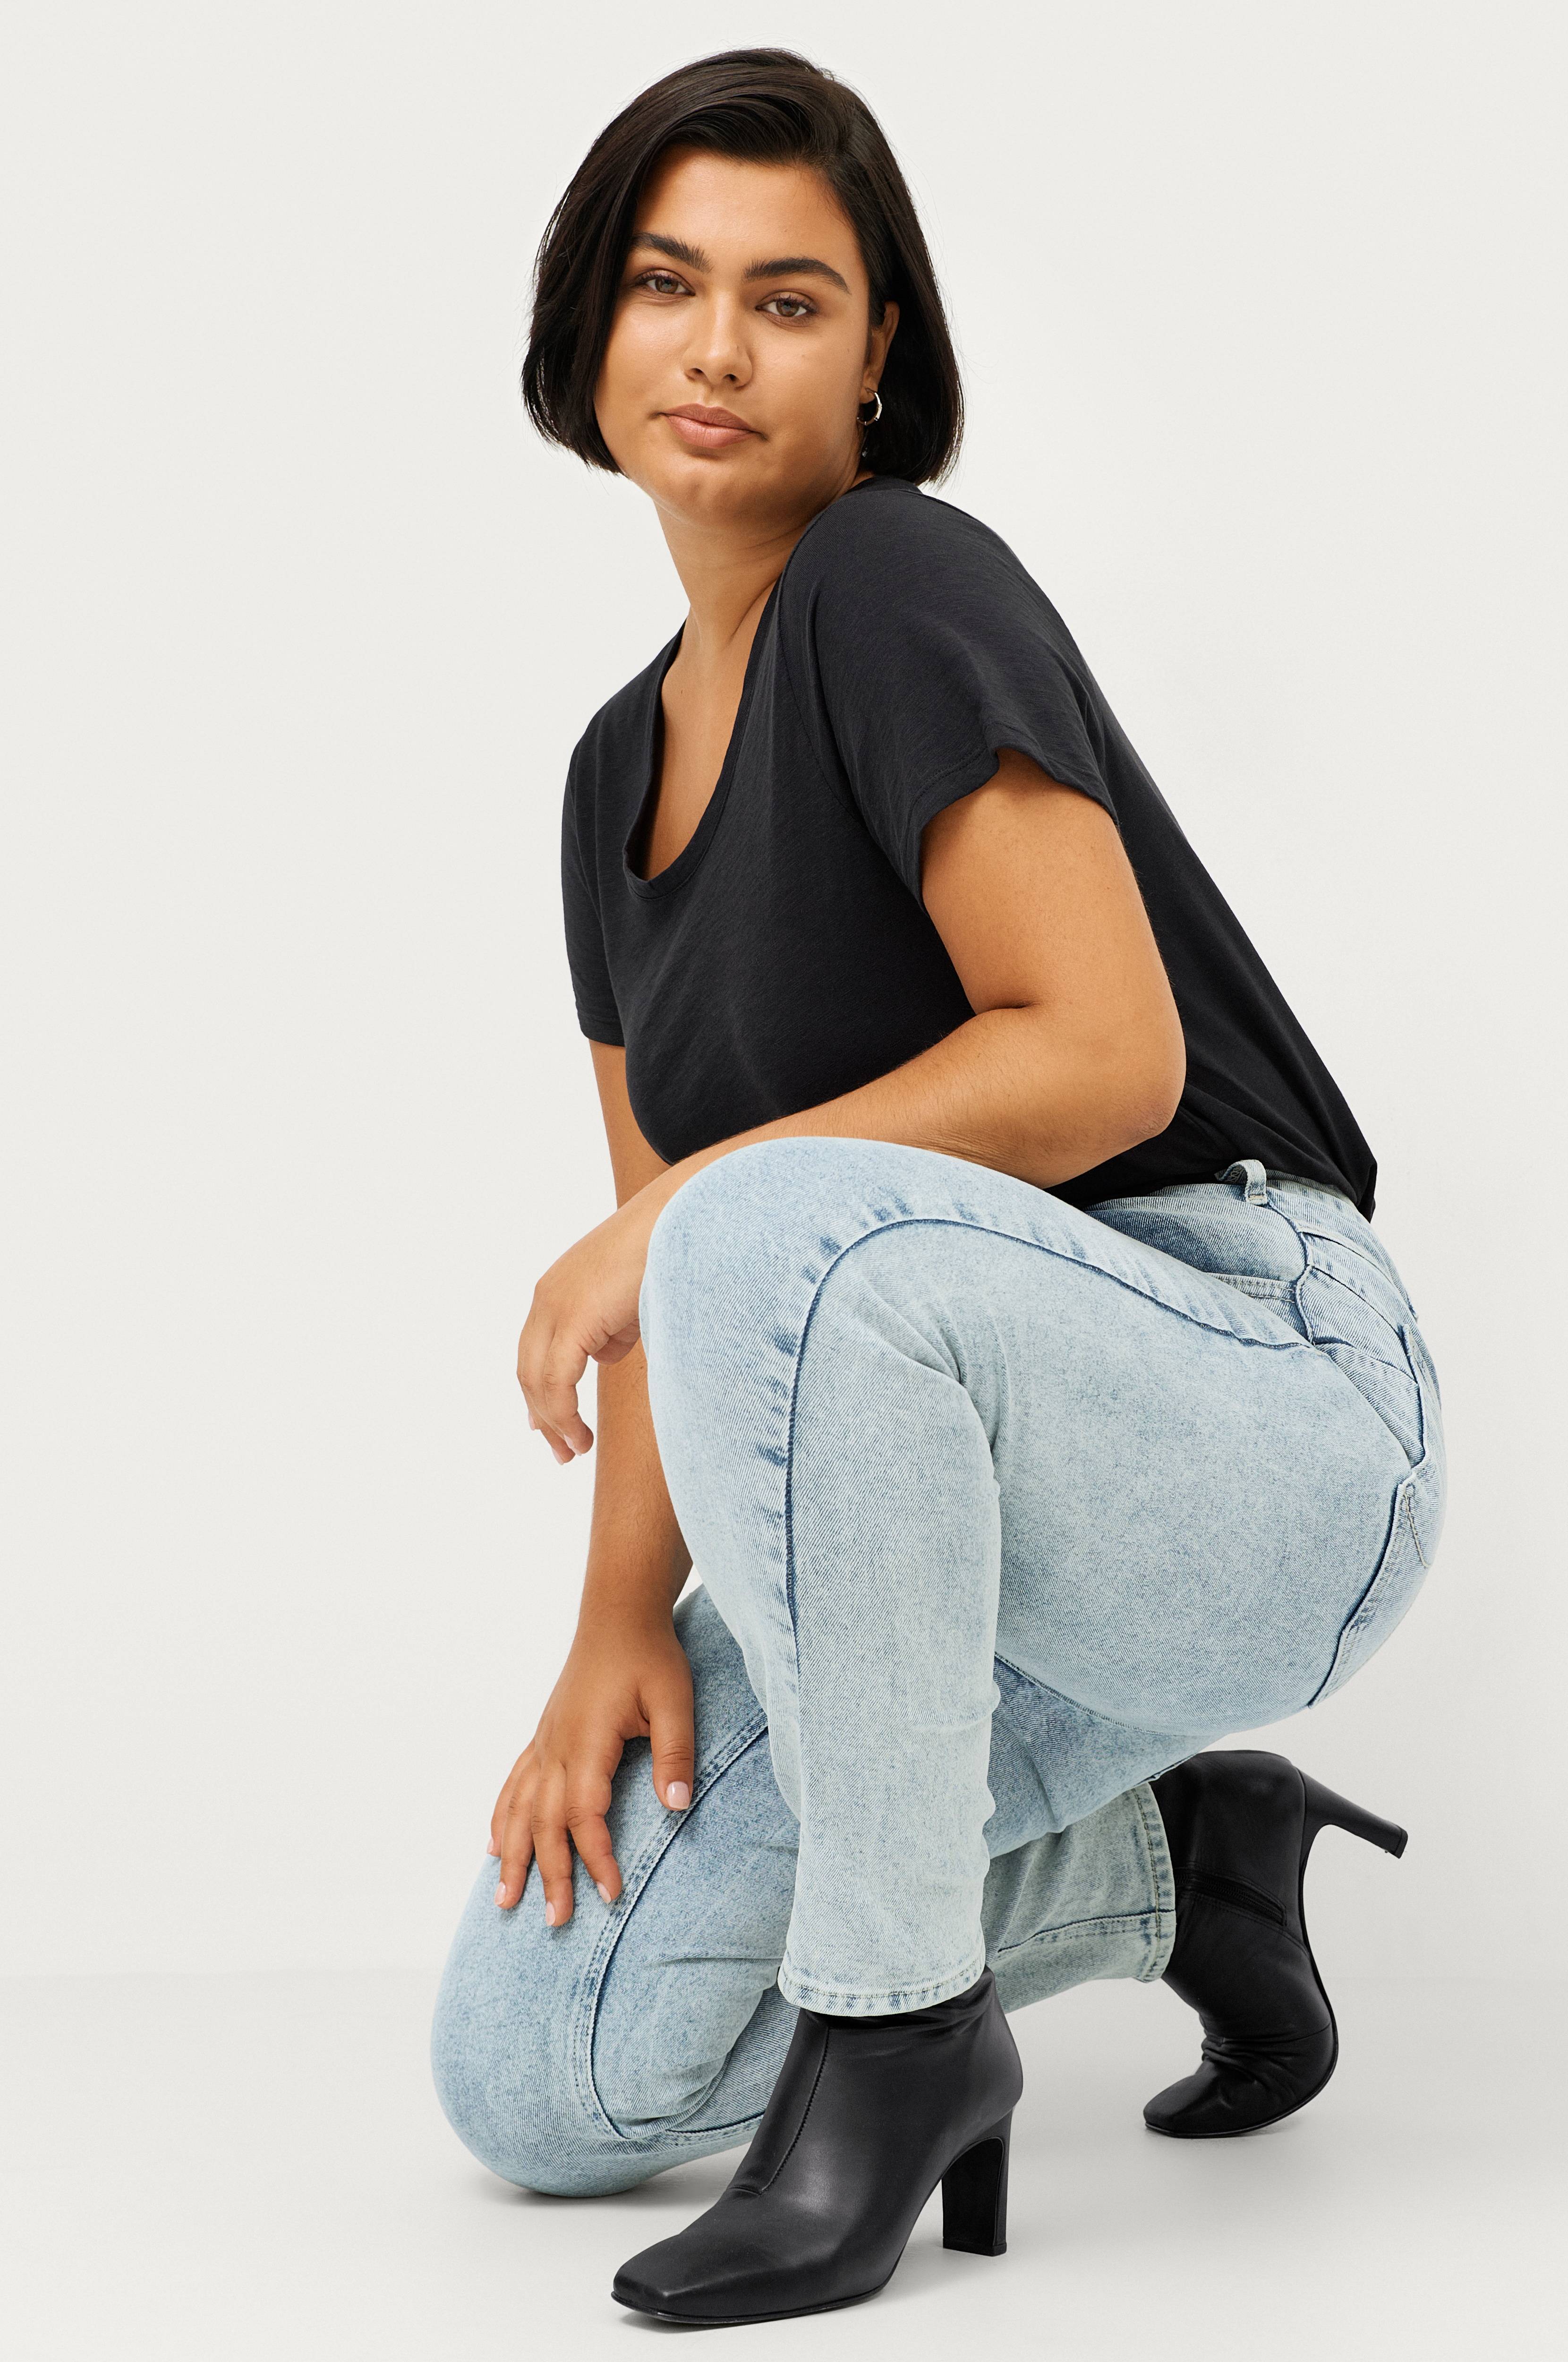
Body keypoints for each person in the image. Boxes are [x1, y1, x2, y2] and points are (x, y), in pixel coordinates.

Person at [429, 47, 1446, 2328]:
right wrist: (611, 1622)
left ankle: (896, 2041)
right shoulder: (606, 778)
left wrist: (680, 1218)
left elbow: (1102, 1053)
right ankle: (1180, 1864)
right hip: (926, 1512)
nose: (716, 345)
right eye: (665, 284)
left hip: (1260, 1395)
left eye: (788, 299)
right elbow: (688, 1260)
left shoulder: (892, 580)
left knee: (758, 1219)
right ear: (588, 325)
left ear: (876, 351)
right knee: (537, 2070)